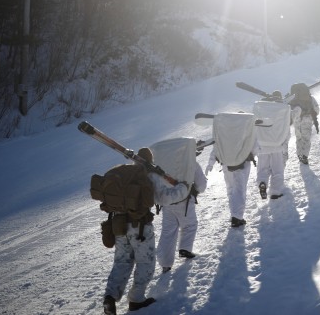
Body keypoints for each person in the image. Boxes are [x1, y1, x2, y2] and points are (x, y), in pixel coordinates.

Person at [102, 147, 189, 315]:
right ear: (150, 161)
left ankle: (110, 298)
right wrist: (184, 189)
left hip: (119, 226)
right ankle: (136, 299)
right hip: (140, 228)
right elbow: (165, 197)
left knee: (121, 262)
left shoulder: (124, 174)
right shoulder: (148, 176)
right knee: (145, 262)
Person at [148, 139, 208, 273]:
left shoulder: (160, 165)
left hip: (166, 203)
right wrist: (195, 190)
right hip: (184, 201)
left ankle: (165, 263)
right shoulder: (191, 163)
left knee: (168, 230)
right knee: (190, 225)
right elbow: (202, 184)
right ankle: (185, 248)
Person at [206, 112, 257, 227]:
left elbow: (216, 147)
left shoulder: (225, 132)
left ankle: (233, 213)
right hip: (242, 165)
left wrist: (210, 163)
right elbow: (255, 145)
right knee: (240, 190)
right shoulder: (248, 131)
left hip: (226, 164)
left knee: (231, 189)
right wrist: (252, 156)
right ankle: (237, 217)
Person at [253, 92, 291, 199]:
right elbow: (286, 130)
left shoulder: (261, 108)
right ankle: (275, 192)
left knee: (262, 169)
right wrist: (283, 144)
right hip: (277, 146)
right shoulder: (282, 110)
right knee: (277, 170)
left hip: (262, 146)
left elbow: (255, 127)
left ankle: (262, 183)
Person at [288, 82, 320, 165]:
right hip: (307, 120)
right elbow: (317, 109)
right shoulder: (310, 98)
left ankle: (300, 155)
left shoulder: (292, 100)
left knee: (299, 138)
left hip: (297, 121)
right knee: (306, 139)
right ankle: (304, 156)